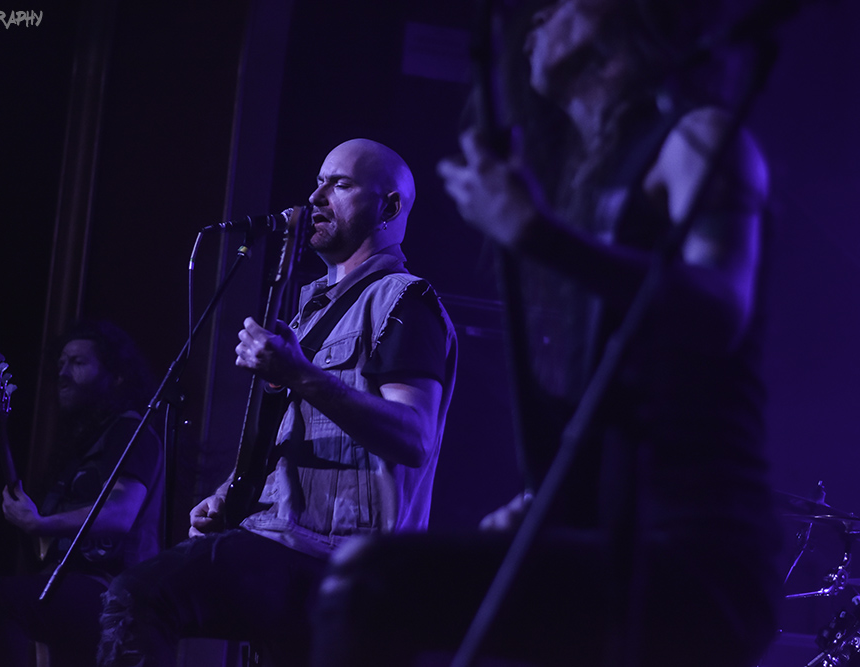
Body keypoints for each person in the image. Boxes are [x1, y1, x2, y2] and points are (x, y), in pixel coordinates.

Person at [309, 1, 783, 666]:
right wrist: (547, 500)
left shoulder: (699, 139)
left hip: (697, 548)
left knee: (370, 583)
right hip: (612, 536)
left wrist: (538, 235)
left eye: (557, 6)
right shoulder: (587, 190)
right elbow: (618, 394)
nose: (533, 21)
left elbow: (720, 307)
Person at [96, 138, 458, 667]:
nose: (316, 195)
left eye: (341, 183)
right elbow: (295, 434)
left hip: (336, 560)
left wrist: (299, 374)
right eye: (319, 180)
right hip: (284, 540)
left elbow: (414, 437)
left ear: (390, 207)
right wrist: (228, 496)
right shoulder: (311, 307)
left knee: (140, 595)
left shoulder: (404, 301)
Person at [0, 320, 164, 667]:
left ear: (117, 376)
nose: (63, 373)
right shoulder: (84, 447)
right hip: (74, 586)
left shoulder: (129, 432)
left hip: (115, 593)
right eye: (60, 363)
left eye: (78, 363)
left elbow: (119, 515)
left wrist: (40, 524)